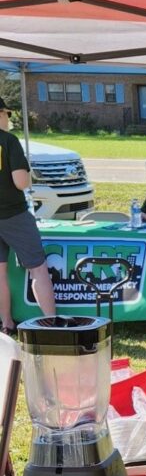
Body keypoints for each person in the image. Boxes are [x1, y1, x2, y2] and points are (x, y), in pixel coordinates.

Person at [0, 97, 57, 335]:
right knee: (38, 269)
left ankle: (6, 323)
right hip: (14, 214)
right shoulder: (9, 141)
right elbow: (21, 182)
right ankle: (53, 323)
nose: (8, 119)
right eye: (7, 114)